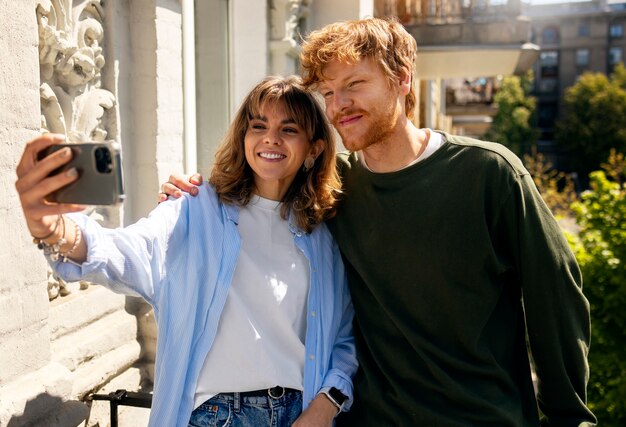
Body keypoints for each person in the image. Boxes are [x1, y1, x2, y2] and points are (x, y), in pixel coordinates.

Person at [160, 18, 597, 426]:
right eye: (328, 93)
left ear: (402, 78)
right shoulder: (332, 186)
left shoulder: (489, 173)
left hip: (484, 415)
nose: (339, 106)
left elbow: (555, 300)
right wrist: (193, 194)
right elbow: (258, 190)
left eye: (355, 85)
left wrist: (566, 418)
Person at [15, 76, 358, 427]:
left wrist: (325, 405)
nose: (270, 137)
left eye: (288, 129)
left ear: (313, 149)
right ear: (244, 136)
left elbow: (344, 338)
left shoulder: (322, 236)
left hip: (299, 415)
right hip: (217, 417)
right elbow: (132, 251)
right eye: (258, 125)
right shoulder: (195, 208)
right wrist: (58, 231)